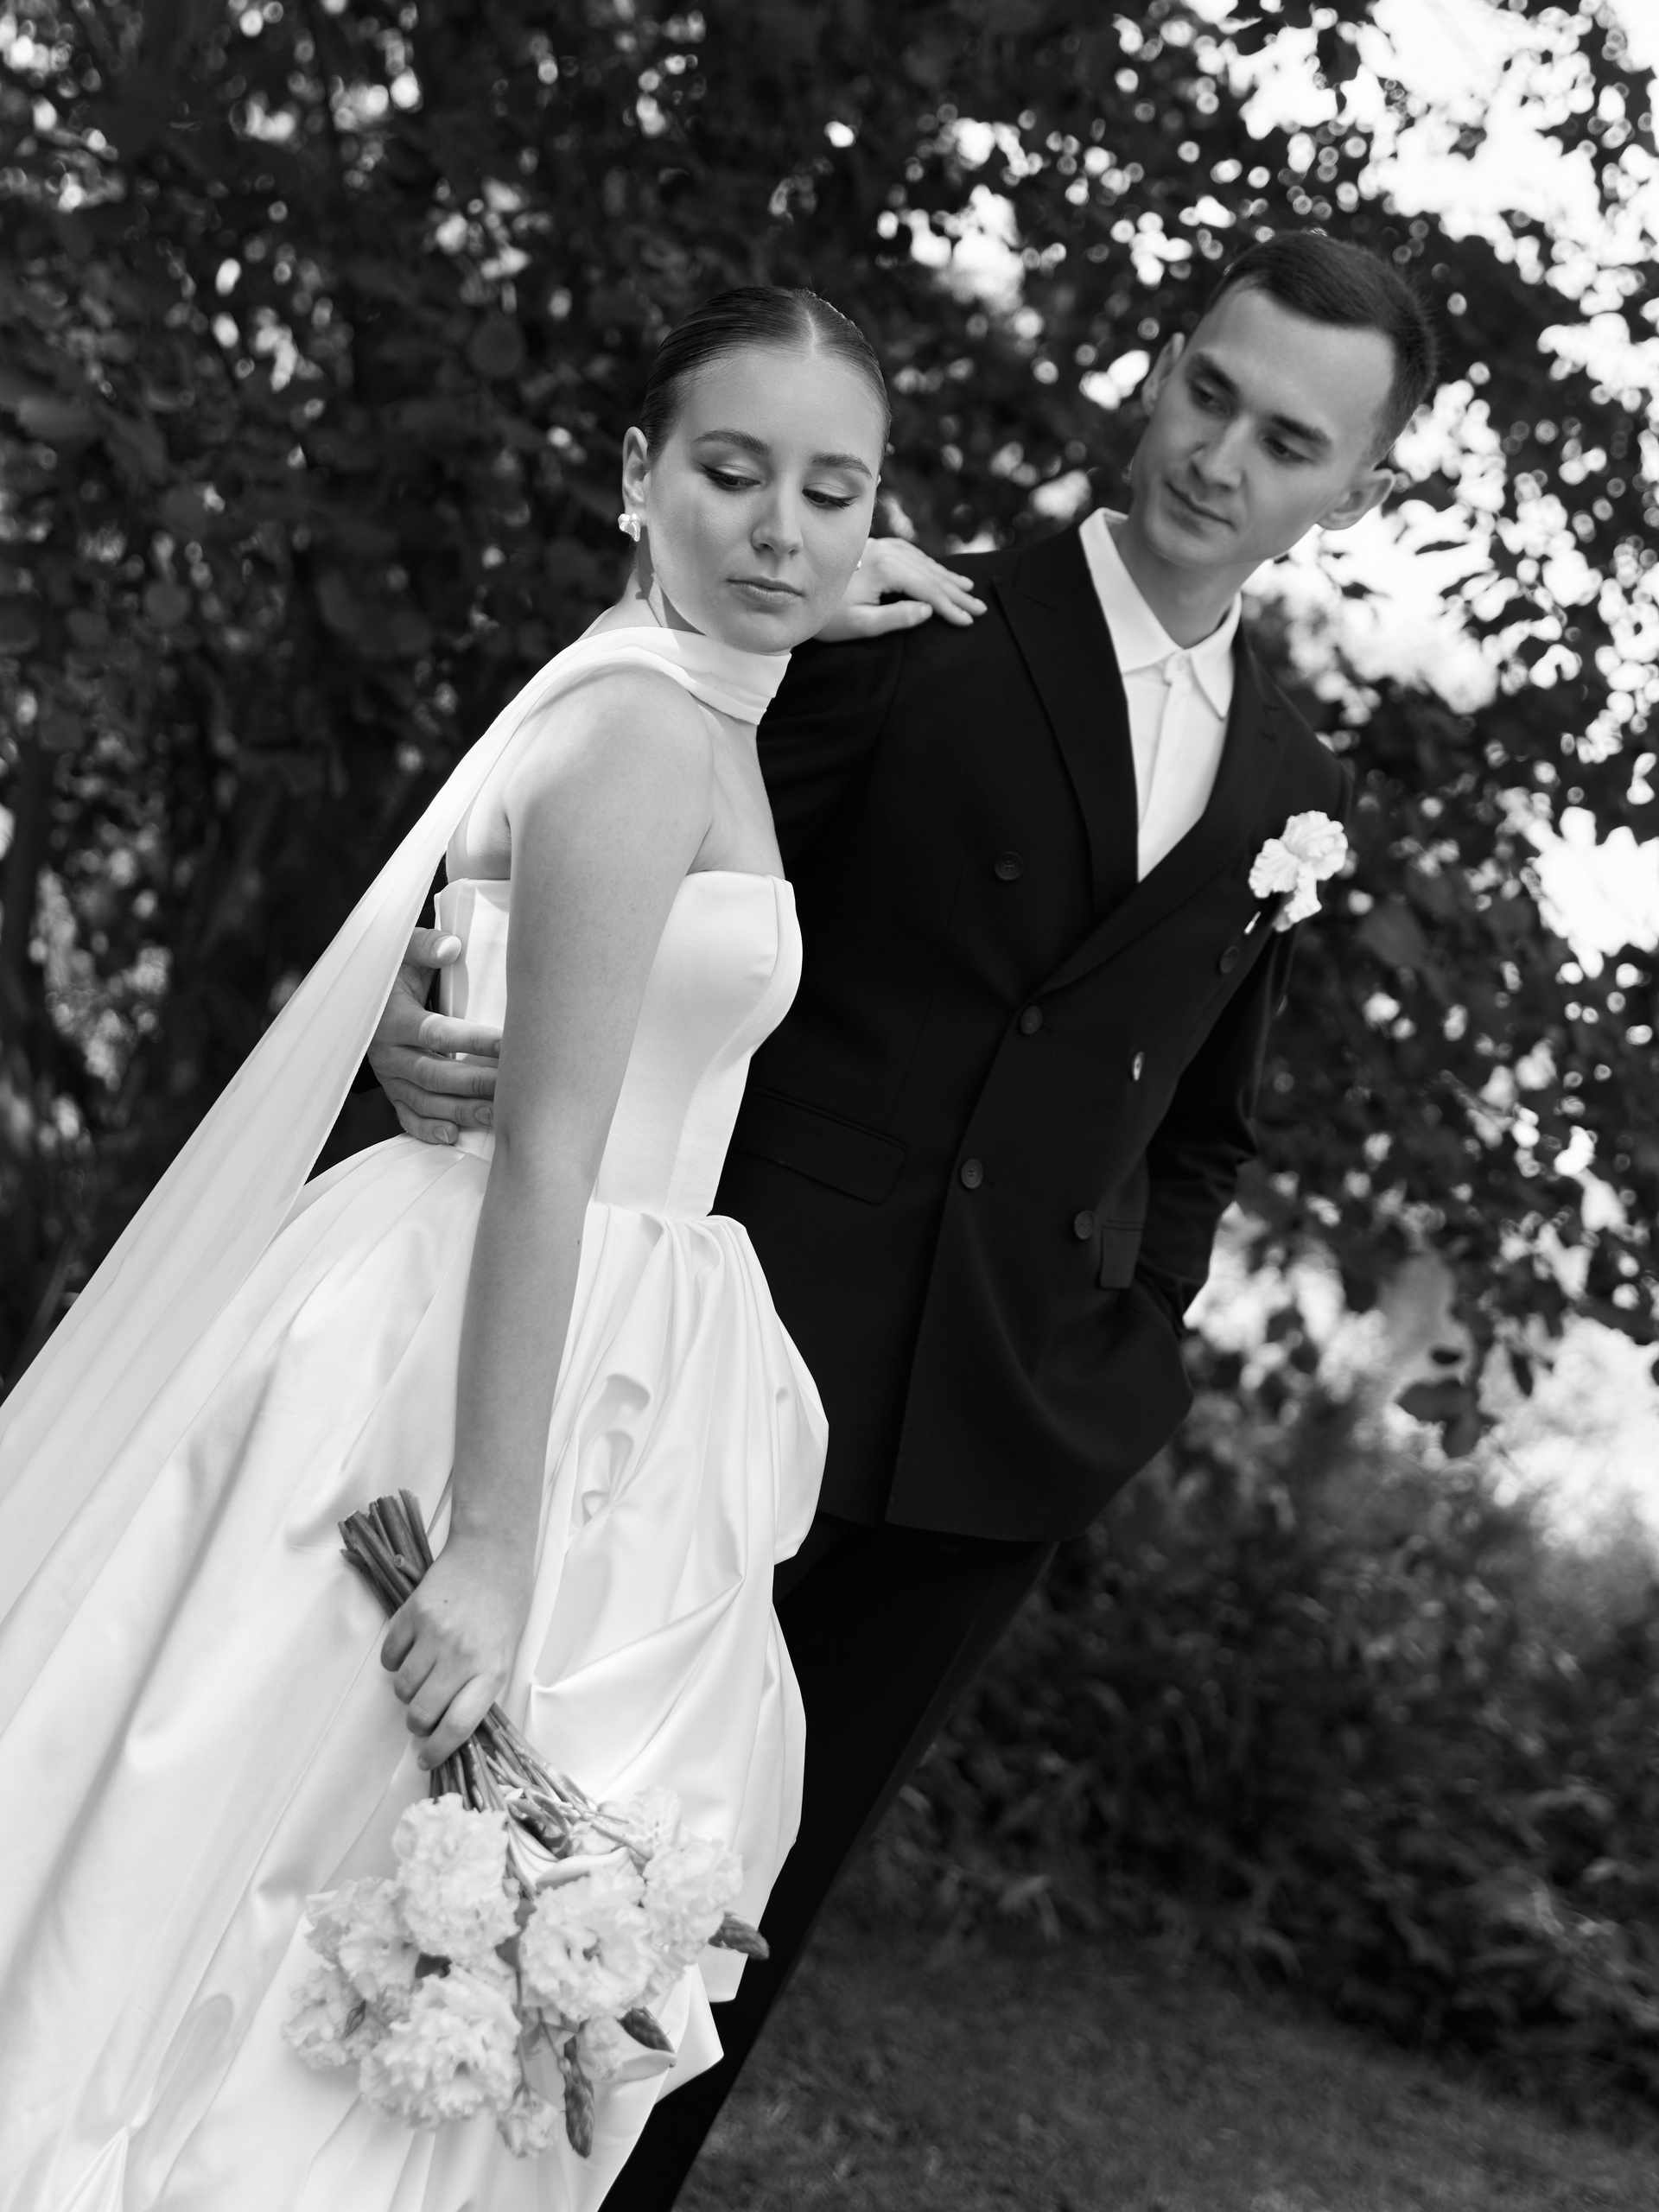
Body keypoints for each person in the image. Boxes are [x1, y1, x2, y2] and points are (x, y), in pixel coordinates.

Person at [373, 231, 1440, 2206]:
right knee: (525, 1813)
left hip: (994, 1435)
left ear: (1355, 489)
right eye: (1208, 390)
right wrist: (427, 1000)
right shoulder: (902, 621)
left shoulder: (1291, 782)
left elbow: (1204, 1129)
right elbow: (620, 825)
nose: (1218, 455)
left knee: (730, 1919)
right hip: (722, 1369)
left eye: (1289, 440)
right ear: (1162, 366)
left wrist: (1130, 1340)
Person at [0, 287, 893, 2212]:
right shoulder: (642, 734)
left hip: (607, 1320)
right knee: (295, 1851)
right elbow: (547, 1154)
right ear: (635, 475)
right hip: (500, 1325)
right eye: (733, 473)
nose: (784, 531)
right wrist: (493, 1542)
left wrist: (836, 571)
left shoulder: (688, 691)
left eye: (834, 493)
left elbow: (777, 574)